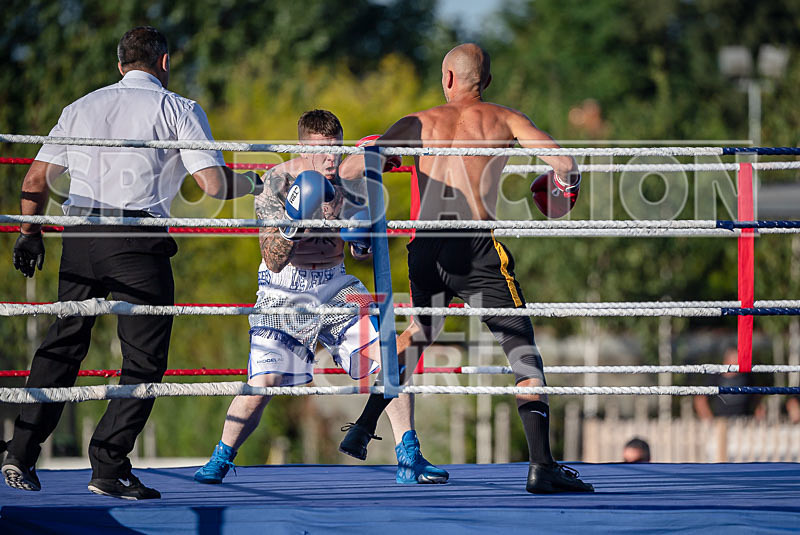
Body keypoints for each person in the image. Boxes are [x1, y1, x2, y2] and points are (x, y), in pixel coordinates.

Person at [1, 26, 263, 500]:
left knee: (63, 346)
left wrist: (28, 232)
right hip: (137, 241)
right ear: (164, 62)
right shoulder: (178, 109)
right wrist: (262, 185)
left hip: (79, 238)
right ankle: (108, 467)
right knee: (142, 360)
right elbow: (214, 185)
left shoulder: (81, 106)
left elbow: (37, 177)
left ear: (120, 64)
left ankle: (19, 452)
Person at [338, 43, 593, 493]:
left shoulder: (419, 122)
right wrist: (561, 190)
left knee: (418, 334)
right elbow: (566, 164)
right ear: (486, 82)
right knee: (521, 350)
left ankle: (364, 424)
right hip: (476, 246)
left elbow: (353, 165)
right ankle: (542, 466)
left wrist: (383, 152)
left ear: (447, 79)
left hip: (426, 246)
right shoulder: (507, 118)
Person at [193, 110, 448, 486]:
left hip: (335, 285)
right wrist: (294, 223)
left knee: (388, 359)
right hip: (284, 289)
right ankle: (220, 458)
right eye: (322, 152)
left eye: (336, 150)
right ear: (302, 147)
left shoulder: (351, 181)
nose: (331, 159)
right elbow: (272, 260)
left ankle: (409, 455)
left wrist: (361, 237)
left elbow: (362, 251)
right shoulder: (276, 182)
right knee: (264, 384)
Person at [693, 346, 765, 420]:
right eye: (734, 363)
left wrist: (758, 414)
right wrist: (710, 420)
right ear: (726, 361)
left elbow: (757, 396)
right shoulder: (716, 377)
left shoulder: (746, 376)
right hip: (721, 422)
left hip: (743, 422)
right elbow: (700, 399)